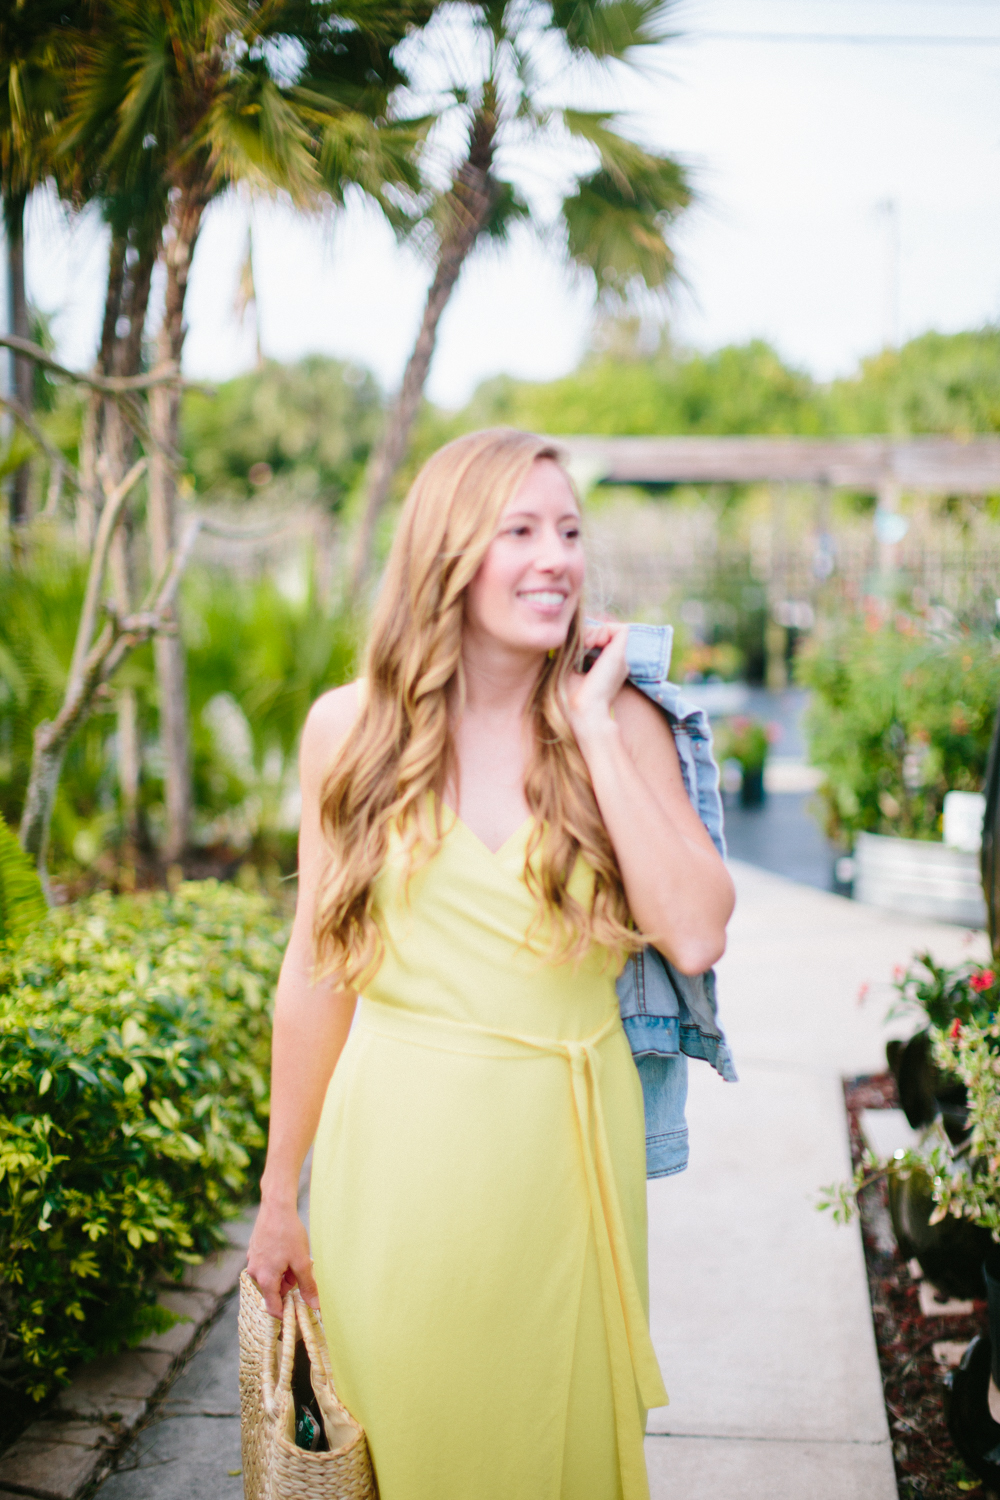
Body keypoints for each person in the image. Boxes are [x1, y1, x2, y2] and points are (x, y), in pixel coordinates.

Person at [246, 428, 735, 1500]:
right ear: (447, 553)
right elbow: (317, 975)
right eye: (518, 530)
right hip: (396, 1165)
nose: (553, 556)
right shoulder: (350, 733)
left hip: (566, 1160)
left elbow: (696, 932)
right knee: (418, 1450)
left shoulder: (623, 727)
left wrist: (596, 731)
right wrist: (280, 1194)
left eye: (567, 531)